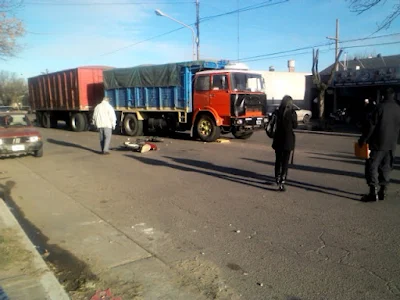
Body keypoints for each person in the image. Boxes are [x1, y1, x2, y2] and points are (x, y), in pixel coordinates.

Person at [358, 88, 400, 202]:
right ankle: (383, 191)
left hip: (378, 143)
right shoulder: (398, 108)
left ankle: (373, 192)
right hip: (392, 144)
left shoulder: (379, 108)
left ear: (383, 96)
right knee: (386, 167)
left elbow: (371, 126)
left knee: (372, 165)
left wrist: (363, 139)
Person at [272, 95, 298, 191]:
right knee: (285, 162)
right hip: (288, 139)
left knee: (278, 160)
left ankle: (277, 178)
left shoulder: (277, 112)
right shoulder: (292, 113)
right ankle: (282, 181)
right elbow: (295, 126)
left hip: (278, 139)